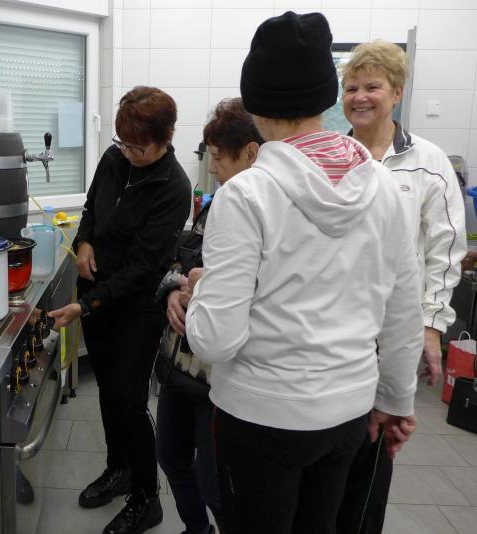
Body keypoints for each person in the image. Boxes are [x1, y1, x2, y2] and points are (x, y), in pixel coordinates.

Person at [183, 12, 424, 534]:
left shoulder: (247, 194)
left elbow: (215, 340)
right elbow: (404, 307)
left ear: (255, 101)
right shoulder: (382, 186)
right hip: (348, 412)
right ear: (326, 96)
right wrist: (395, 400)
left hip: (261, 416)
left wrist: (198, 290)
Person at [336, 40, 467, 534]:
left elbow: (446, 251)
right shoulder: (333, 158)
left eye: (372, 87)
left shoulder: (427, 162)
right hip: (336, 328)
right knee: (332, 446)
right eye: (351, 87)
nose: (359, 97)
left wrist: (431, 327)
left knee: (373, 447)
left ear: (397, 92)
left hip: (392, 332)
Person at [48, 86, 191, 534]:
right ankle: (119, 468)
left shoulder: (173, 187)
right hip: (97, 297)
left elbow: (142, 269)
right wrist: (83, 242)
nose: (128, 152)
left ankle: (147, 497)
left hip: (136, 307)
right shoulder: (114, 159)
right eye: (122, 143)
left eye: (138, 147)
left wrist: (83, 304)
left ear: (165, 137)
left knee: (130, 399)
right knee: (109, 393)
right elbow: (91, 209)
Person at [154, 97, 262, 534]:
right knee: (170, 457)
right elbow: (179, 261)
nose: (212, 167)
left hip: (220, 376)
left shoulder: (265, 210)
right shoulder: (217, 204)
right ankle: (197, 529)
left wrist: (203, 282)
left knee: (214, 481)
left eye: (218, 157)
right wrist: (173, 289)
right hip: (180, 362)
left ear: (251, 153)